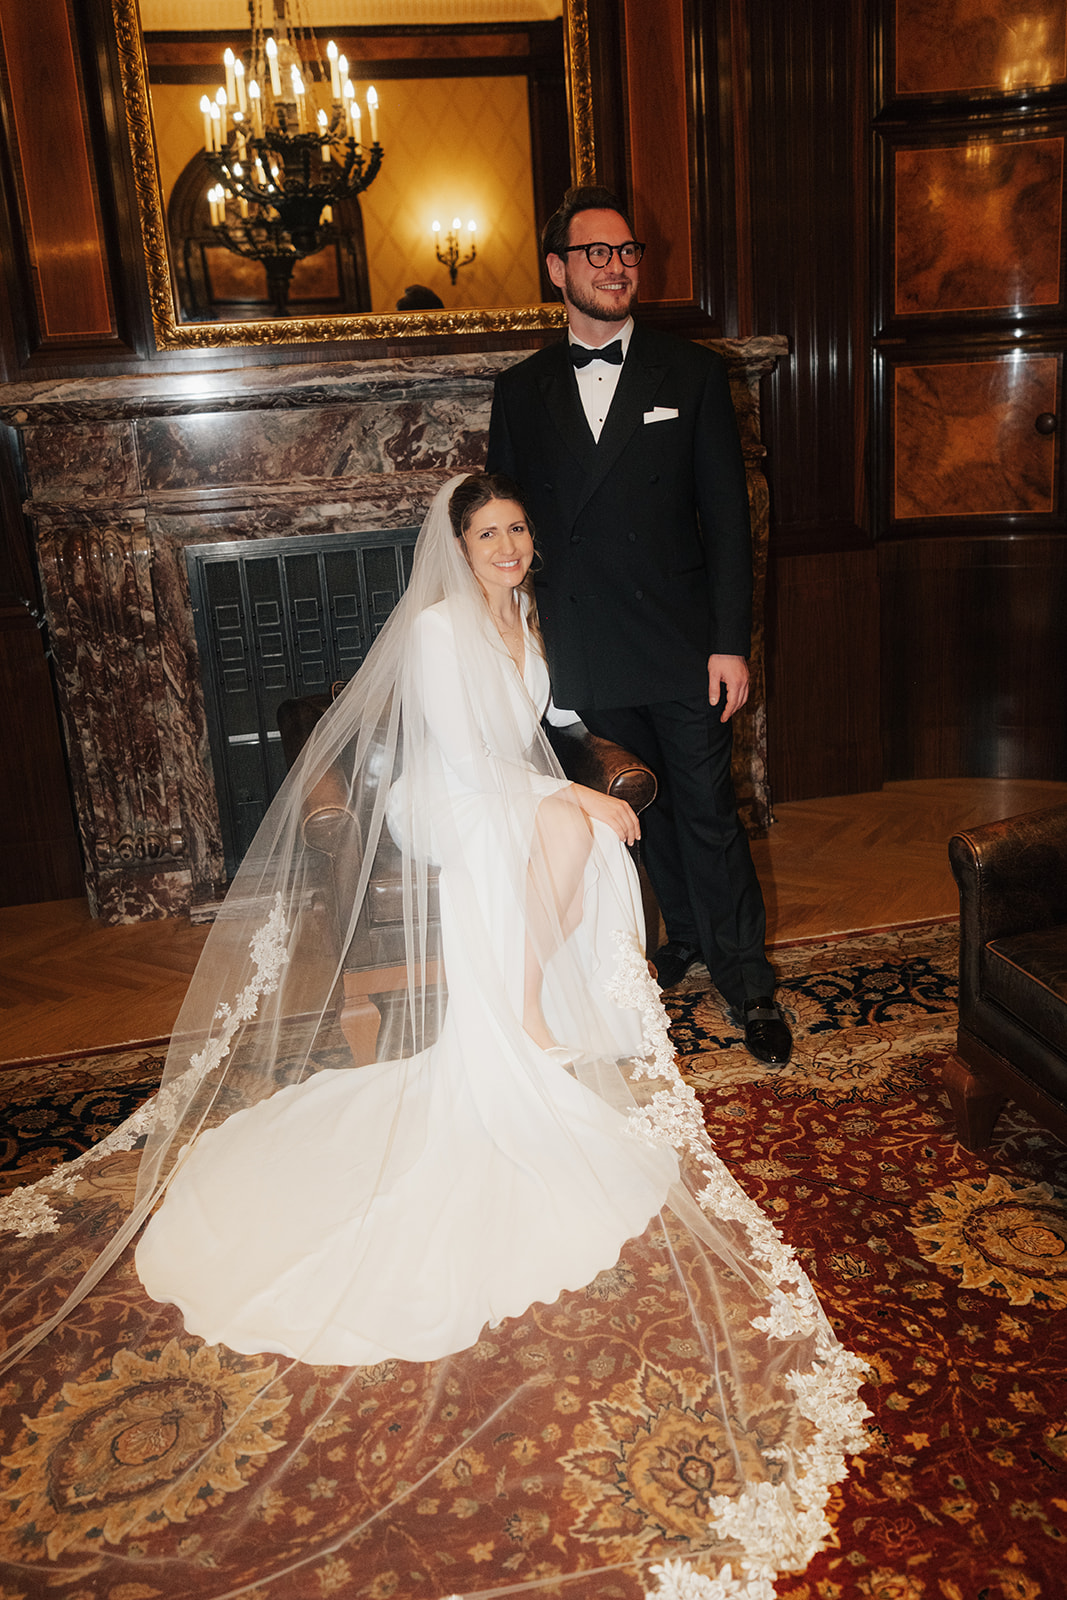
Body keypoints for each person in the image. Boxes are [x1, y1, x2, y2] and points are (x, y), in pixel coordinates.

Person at [0, 475, 867, 1596]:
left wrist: (578, 783)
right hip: (444, 796)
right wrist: (572, 798)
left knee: (587, 832)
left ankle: (525, 1000)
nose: (507, 546)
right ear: (456, 548)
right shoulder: (439, 626)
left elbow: (549, 725)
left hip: (504, 785)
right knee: (581, 826)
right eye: (488, 534)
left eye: (516, 530)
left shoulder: (529, 617)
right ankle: (520, 1005)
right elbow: (461, 765)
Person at [487, 185, 792, 1067]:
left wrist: (731, 642)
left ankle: (747, 981)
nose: (617, 266)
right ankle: (681, 936)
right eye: (597, 253)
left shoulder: (690, 372)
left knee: (706, 812)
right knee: (632, 816)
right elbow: (506, 529)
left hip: (681, 644)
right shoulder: (521, 389)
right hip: (583, 648)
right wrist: (520, 644)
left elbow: (728, 522)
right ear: (558, 270)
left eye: (627, 253)